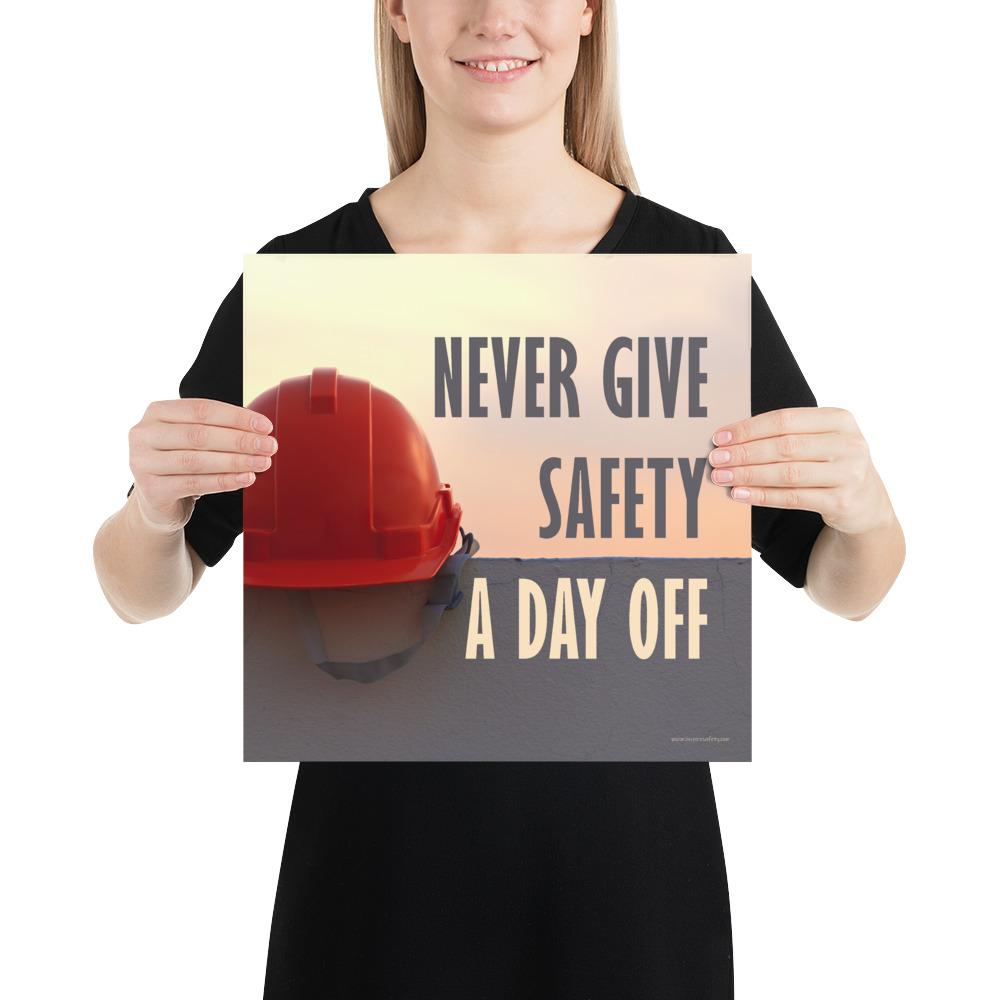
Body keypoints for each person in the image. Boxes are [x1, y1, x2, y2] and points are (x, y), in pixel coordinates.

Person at [92, 1, 905, 995]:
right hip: (373, 904)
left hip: (632, 907)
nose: (494, 16)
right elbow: (140, 589)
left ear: (587, 14)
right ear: (396, 11)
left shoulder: (685, 277)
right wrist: (154, 508)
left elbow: (843, 580)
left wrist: (863, 506)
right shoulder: (305, 281)